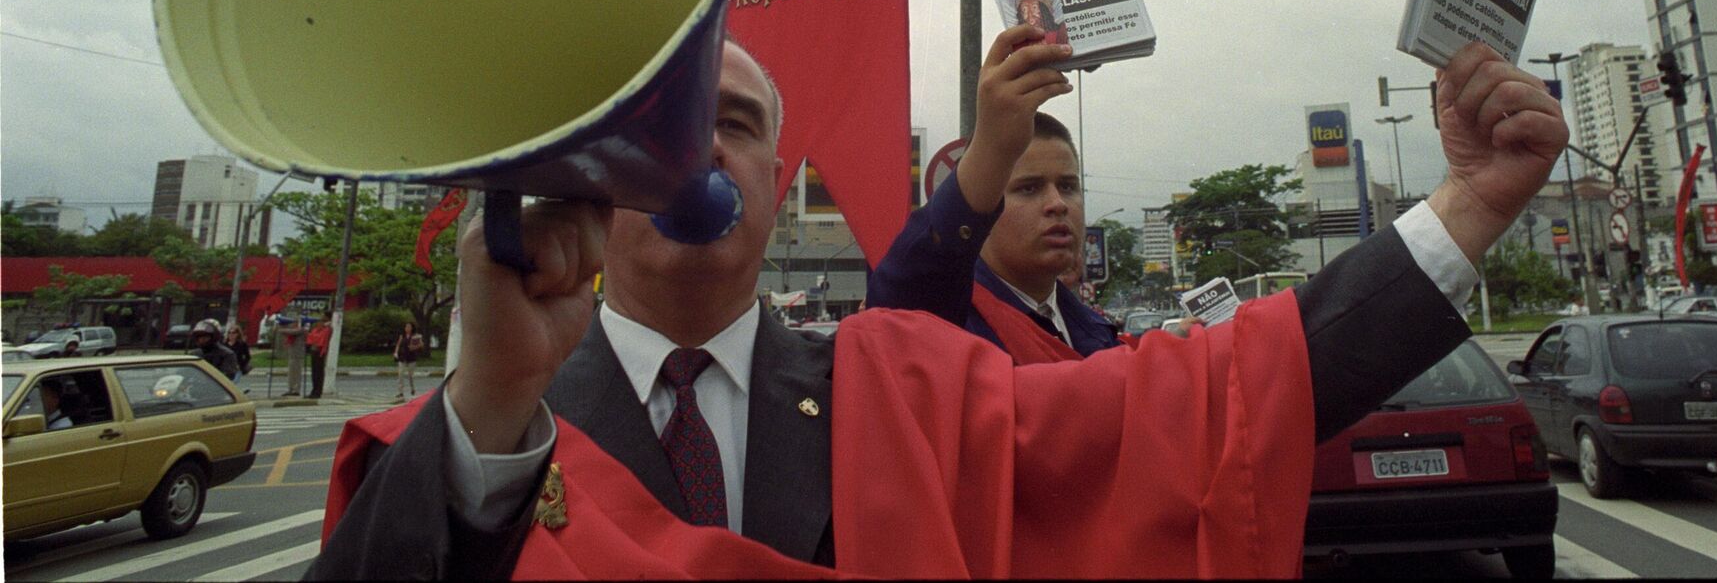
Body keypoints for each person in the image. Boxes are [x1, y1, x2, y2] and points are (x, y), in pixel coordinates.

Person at [311, 35, 1566, 578]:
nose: (699, 150)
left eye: (736, 122)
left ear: (776, 176)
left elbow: (1208, 401)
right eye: (661, 125)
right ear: (595, 171)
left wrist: (1465, 210)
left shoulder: (900, 385)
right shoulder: (487, 433)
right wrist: (487, 404)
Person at [870, 31, 1117, 359]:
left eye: (1068, 186)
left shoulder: (1100, 334)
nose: (1057, 204)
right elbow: (901, 298)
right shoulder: (945, 322)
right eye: (1028, 188)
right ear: (982, 210)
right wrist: (993, 146)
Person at [394, 321, 427, 401]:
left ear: (412, 328)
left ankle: (412, 388)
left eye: (409, 327)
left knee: (410, 375)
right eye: (406, 327)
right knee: (400, 374)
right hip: (402, 357)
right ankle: (400, 392)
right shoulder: (402, 336)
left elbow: (421, 345)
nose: (407, 328)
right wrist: (395, 352)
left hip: (411, 358)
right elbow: (398, 345)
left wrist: (414, 347)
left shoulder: (416, 336)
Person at [307, 318, 334, 398]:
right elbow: (310, 338)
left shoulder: (326, 330)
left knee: (319, 372)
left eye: (321, 322)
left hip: (320, 352)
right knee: (314, 373)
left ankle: (318, 391)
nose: (318, 324)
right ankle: (314, 390)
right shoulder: (315, 330)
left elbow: (329, 332)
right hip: (314, 351)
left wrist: (327, 325)